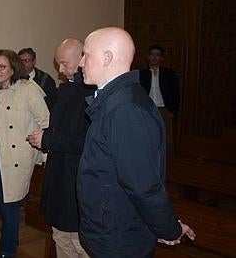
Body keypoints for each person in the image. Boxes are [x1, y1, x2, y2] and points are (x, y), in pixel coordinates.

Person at [76, 27, 195, 256]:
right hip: (109, 229)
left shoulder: (126, 109)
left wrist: (167, 228)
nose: (81, 62)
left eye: (86, 54)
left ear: (107, 58)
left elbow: (144, 185)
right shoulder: (114, 101)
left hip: (119, 236)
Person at [27, 38, 94, 258]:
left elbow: (86, 141)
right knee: (60, 237)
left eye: (65, 64)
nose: (61, 70)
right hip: (59, 174)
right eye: (58, 64)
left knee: (78, 241)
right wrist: (46, 137)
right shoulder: (67, 88)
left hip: (76, 177)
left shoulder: (91, 93)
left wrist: (48, 140)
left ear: (82, 59)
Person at [0, 49, 49, 258]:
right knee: (2, 203)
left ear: (13, 68)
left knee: (10, 206)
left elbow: (45, 121)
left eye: (2, 66)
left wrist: (43, 153)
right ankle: (12, 239)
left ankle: (7, 250)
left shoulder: (28, 89)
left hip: (15, 158)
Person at [139, 44, 180, 155]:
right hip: (148, 109)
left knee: (167, 136)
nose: (154, 57)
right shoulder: (142, 74)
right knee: (147, 134)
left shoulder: (169, 74)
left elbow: (175, 93)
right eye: (152, 54)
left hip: (165, 109)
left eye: (157, 55)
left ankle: (168, 159)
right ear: (148, 57)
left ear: (161, 58)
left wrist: (172, 111)